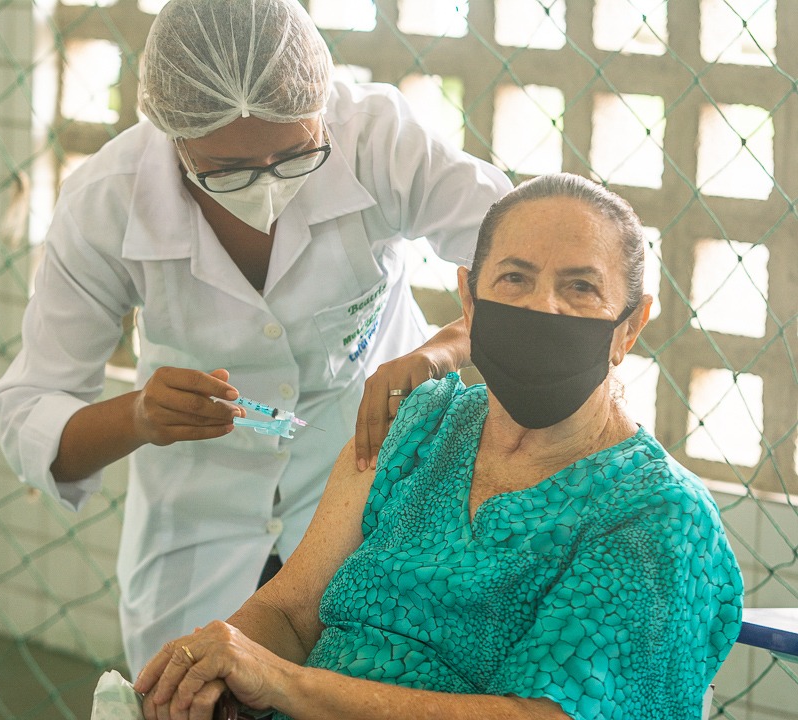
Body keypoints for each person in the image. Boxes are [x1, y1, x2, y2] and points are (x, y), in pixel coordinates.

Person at [0, 0, 511, 671]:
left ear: (321, 107)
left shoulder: (376, 139)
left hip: (365, 502)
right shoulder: (107, 200)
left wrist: (438, 354)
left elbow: (523, 261)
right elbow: (29, 410)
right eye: (226, 173)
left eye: (295, 157)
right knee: (192, 695)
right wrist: (140, 415)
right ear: (170, 135)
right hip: (198, 533)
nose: (267, 191)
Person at [134, 173, 744, 720]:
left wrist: (290, 687)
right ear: (470, 301)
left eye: (581, 287)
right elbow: (290, 614)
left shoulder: (659, 515)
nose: (542, 307)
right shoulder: (417, 427)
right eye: (515, 278)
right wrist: (211, 667)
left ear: (630, 326)